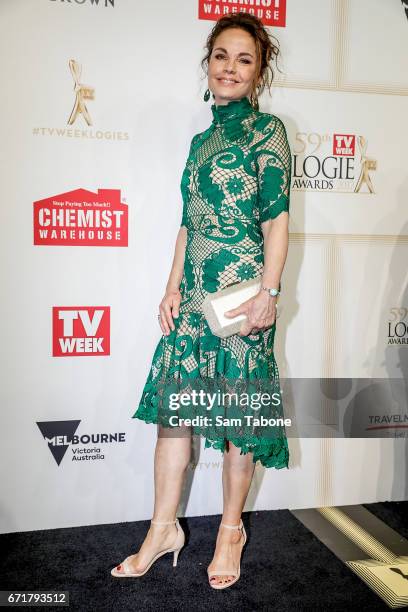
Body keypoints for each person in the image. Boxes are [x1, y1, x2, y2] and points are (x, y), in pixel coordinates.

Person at [111, 12, 292, 589]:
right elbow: (188, 225)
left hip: (241, 296)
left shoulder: (269, 132)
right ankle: (163, 528)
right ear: (208, 64)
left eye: (244, 59)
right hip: (193, 298)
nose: (230, 68)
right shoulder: (200, 140)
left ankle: (230, 532)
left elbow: (277, 222)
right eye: (221, 56)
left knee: (239, 417)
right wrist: (171, 288)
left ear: (259, 72)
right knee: (173, 418)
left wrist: (269, 292)